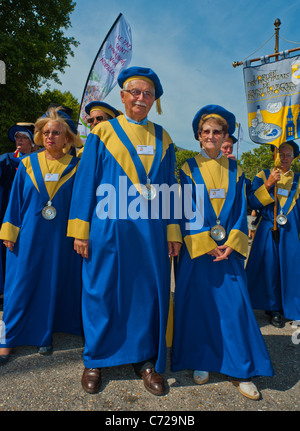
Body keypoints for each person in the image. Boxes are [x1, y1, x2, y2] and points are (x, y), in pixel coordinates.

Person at [67, 66, 181, 396]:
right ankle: (96, 358)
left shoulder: (164, 138)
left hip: (150, 231)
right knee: (100, 289)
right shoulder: (103, 134)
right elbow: (86, 181)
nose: (140, 98)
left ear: (154, 100)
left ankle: (146, 360)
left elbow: (168, 186)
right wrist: (80, 230)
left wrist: (173, 233)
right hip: (107, 226)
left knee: (146, 293)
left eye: (147, 93)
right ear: (122, 96)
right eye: (135, 92)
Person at [171, 104, 274, 401]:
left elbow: (242, 210)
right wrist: (205, 242)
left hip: (228, 250)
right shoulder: (187, 169)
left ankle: (241, 369)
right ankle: (202, 359)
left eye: (217, 132)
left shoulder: (238, 170)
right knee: (199, 306)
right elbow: (185, 208)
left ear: (225, 135)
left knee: (234, 308)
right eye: (206, 132)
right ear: (198, 136)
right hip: (199, 251)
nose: (212, 136)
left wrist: (232, 242)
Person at [0, 107, 83, 365]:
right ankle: (9, 336)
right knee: (20, 282)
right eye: (46, 132)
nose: (50, 137)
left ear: (67, 137)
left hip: (62, 238)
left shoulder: (78, 167)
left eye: (56, 132)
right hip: (29, 233)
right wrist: (9, 231)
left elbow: (82, 202)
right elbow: (14, 202)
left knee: (55, 282)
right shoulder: (27, 164)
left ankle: (45, 334)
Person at [246, 141, 300, 328]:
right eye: (280, 154)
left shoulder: (298, 179)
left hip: (291, 231)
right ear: (273, 155)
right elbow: (252, 202)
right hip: (268, 228)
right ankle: (274, 308)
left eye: (288, 154)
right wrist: (269, 184)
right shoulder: (262, 175)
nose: (284, 158)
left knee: (291, 269)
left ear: (295, 157)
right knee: (269, 269)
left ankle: (291, 307)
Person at [0, 123, 38, 298]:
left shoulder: (40, 161)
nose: (19, 140)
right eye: (17, 137)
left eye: (24, 137)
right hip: (8, 211)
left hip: (31, 213)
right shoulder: (5, 160)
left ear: (33, 142)